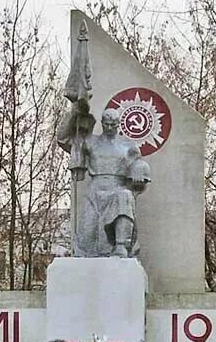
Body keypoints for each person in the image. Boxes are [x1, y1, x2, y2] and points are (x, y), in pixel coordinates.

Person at [58, 105, 150, 257]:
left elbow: (138, 162)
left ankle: (121, 245)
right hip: (95, 191)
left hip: (118, 188)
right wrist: (73, 112)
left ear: (118, 124)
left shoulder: (127, 145)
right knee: (85, 243)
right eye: (106, 124)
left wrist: (140, 169)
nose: (109, 127)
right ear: (101, 123)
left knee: (124, 196)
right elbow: (63, 138)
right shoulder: (91, 141)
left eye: (113, 124)